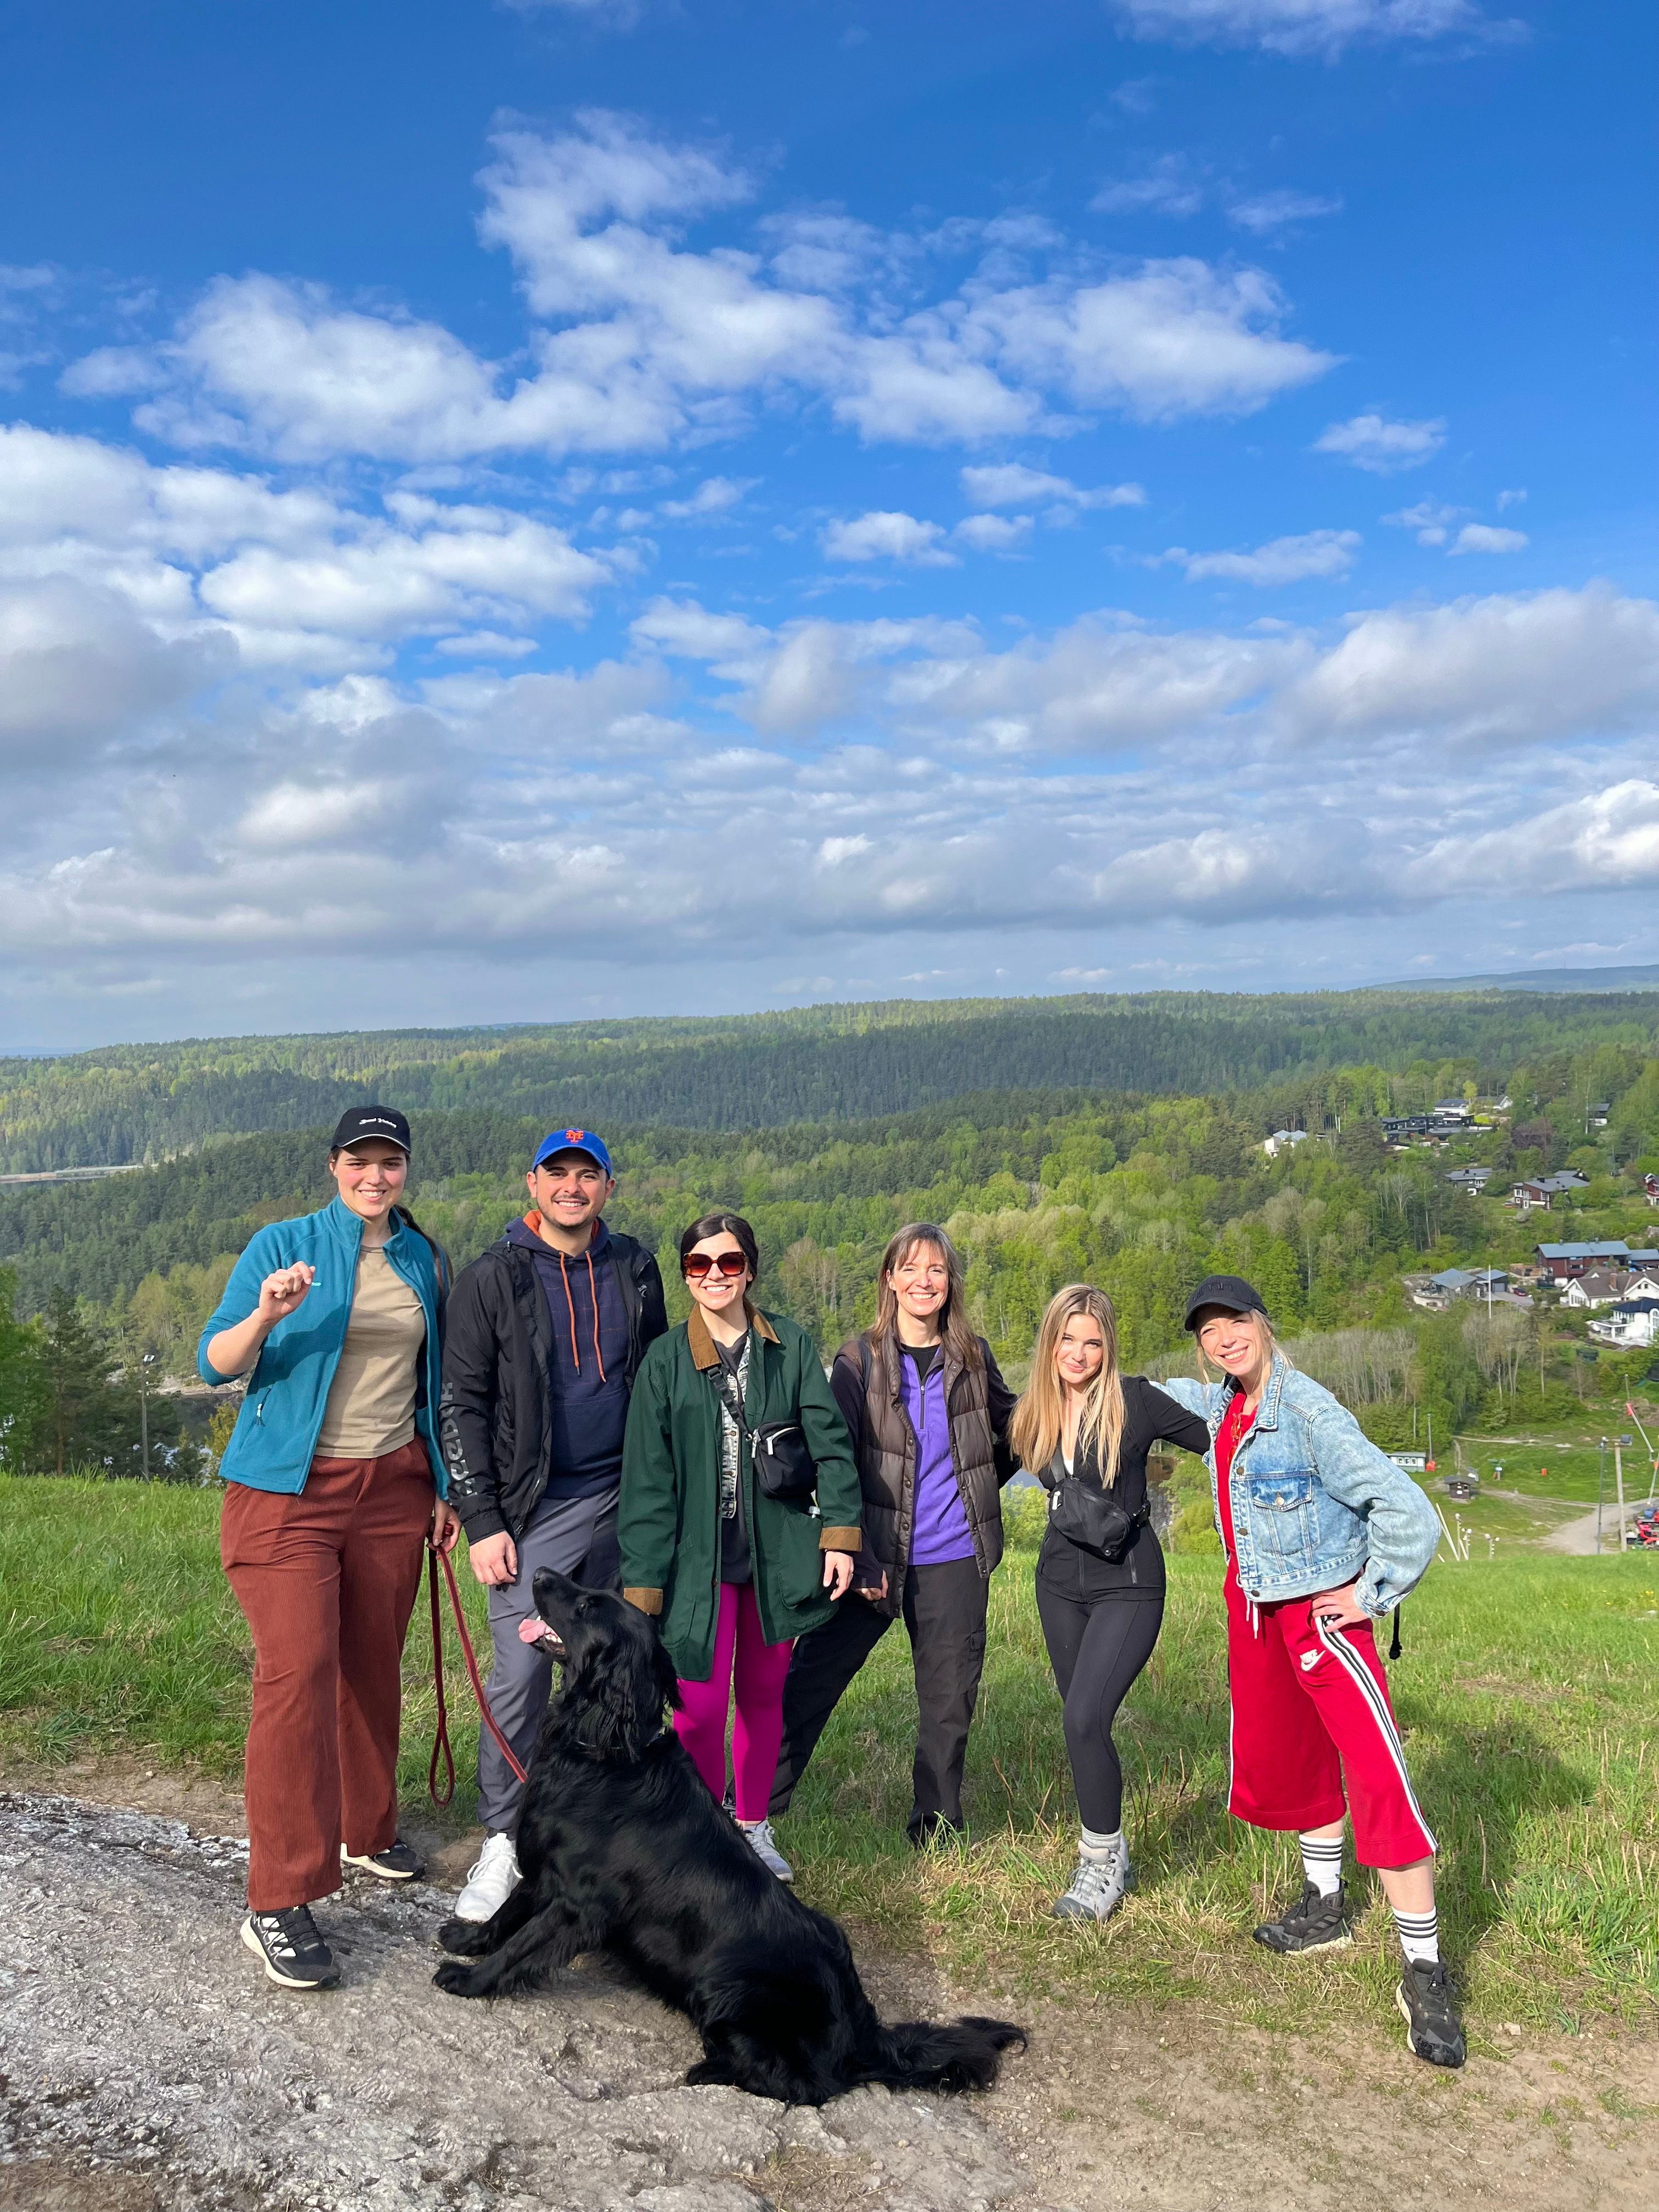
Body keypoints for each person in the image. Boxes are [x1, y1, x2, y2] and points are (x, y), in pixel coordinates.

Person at [1159, 1273, 1464, 2069]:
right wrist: (1079, 1373)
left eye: (1235, 1323)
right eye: (1209, 1332)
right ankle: (1325, 1905)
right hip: (1257, 1611)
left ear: (1263, 1324)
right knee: (1296, 1766)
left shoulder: (1308, 1411)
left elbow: (1409, 1511)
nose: (1224, 1338)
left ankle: (1425, 1971)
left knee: (1378, 1776)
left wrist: (1368, 1595)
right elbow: (1165, 1402)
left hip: (1321, 1620)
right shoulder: (1228, 1404)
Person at [198, 1105, 458, 1993]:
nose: (374, 1176)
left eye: (389, 1162)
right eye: (360, 1160)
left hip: (391, 1489)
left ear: (404, 1170)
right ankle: (277, 1896)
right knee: (298, 1671)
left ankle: (367, 1824)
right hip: (286, 1494)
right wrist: (268, 1314)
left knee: (369, 1664)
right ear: (333, 1165)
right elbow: (215, 1360)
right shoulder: (283, 1246)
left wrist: (440, 1491)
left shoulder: (421, 1256)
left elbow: (434, 1384)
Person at [439, 1127, 667, 1922]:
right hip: (534, 1508)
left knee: (612, 1670)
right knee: (524, 1673)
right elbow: (460, 1405)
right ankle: (504, 1840)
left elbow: (656, 1375)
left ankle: (593, 1831)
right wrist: (483, 1520)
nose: (573, 1187)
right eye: (558, 1174)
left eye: (589, 1174)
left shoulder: (636, 1268)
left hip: (627, 1497)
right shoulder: (491, 1280)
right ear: (531, 1183)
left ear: (609, 1186)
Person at [619, 1211, 862, 1882]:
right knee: (696, 1709)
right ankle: (703, 1830)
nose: (715, 1276)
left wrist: (840, 1538)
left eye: (729, 1263)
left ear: (750, 1268)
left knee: (762, 1697)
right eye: (700, 1265)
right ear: (687, 1275)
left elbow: (832, 1447)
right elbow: (646, 1485)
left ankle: (752, 1826)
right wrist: (643, 1587)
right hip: (695, 1563)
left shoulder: (788, 1345)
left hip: (775, 1557)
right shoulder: (666, 1362)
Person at [770, 1223, 1017, 1847]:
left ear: (950, 1281)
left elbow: (1016, 1430)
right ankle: (751, 1809)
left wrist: (985, 1482)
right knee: (811, 1681)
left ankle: (933, 1827)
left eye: (936, 1270)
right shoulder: (859, 1361)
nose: (923, 1282)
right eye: (910, 1269)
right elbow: (836, 1457)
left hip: (954, 1558)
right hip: (869, 1556)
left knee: (948, 1699)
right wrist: (856, 1548)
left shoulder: (973, 1356)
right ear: (890, 1280)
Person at [1012, 1283, 1211, 1922]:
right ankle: (1113, 1850)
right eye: (1068, 1339)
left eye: (1092, 1341)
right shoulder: (1031, 1413)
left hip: (1128, 1582)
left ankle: (1098, 1866)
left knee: (1082, 1718)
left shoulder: (1137, 1400)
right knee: (1083, 1722)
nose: (1079, 1352)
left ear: (1108, 1347)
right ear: (1050, 1342)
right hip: (1058, 1584)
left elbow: (1223, 1437)